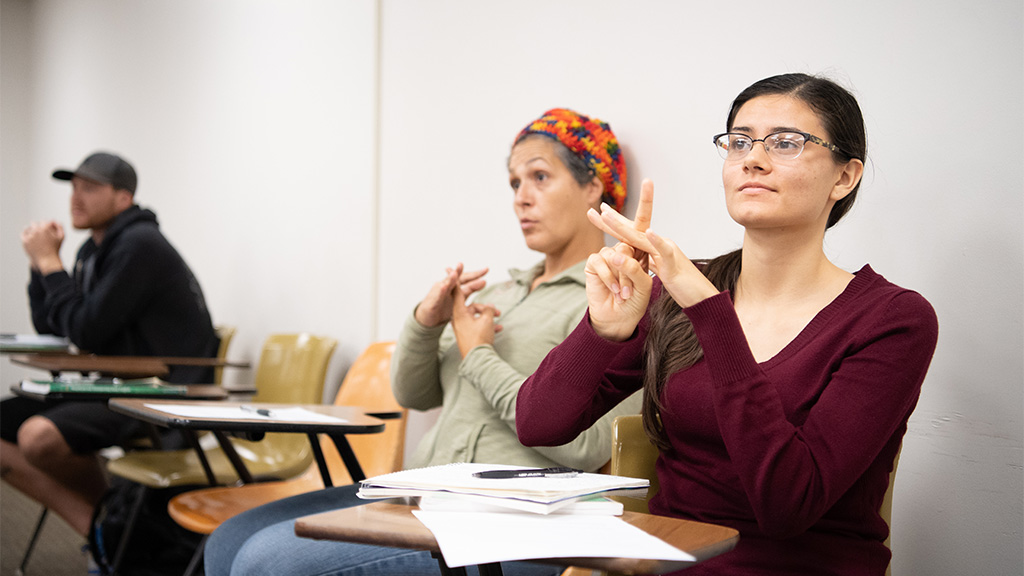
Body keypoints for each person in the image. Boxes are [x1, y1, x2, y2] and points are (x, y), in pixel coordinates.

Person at [516, 74, 939, 576]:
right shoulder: (678, 295)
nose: (751, 159)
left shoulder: (893, 320)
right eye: (738, 142)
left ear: (845, 177)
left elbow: (788, 505)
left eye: (785, 143)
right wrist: (602, 330)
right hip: (664, 564)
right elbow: (539, 425)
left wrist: (708, 310)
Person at [205, 108, 642, 576]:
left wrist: (477, 354)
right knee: (227, 539)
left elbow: (588, 447)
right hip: (418, 494)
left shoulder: (614, 303)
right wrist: (426, 321)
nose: (521, 198)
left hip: (513, 522)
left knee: (263, 564)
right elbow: (413, 394)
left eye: (539, 177)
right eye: (514, 183)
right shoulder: (500, 293)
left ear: (593, 186)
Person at [0, 151, 219, 538]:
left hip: (160, 393)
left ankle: (111, 531)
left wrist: (52, 265)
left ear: (123, 198)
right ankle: (103, 527)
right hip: (117, 386)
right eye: (73, 188)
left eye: (90, 188)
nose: (75, 198)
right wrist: (41, 269)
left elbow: (86, 332)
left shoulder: (139, 245)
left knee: (39, 436)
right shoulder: (93, 251)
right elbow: (59, 325)